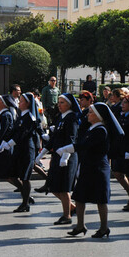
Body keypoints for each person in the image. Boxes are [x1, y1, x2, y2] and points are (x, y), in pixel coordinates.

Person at [64, 102, 122, 238]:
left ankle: (104, 227)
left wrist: (68, 149)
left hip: (98, 167)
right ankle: (80, 225)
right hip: (88, 166)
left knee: (101, 200)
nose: (88, 114)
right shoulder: (92, 128)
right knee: (79, 197)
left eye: (91, 112)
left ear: (98, 116)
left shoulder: (101, 130)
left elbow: (86, 145)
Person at [44, 93, 81, 225]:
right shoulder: (61, 117)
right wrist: (43, 151)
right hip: (57, 156)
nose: (59, 105)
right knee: (53, 187)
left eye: (62, 103)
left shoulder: (72, 118)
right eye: (58, 102)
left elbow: (71, 138)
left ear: (69, 105)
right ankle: (72, 207)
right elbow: (55, 138)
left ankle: (67, 216)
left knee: (64, 188)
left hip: (68, 157)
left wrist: (65, 156)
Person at [0, 92, 38, 213]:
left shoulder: (30, 117)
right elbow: (14, 131)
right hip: (18, 149)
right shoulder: (20, 116)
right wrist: (3, 142)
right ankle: (26, 195)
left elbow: (23, 134)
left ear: (28, 103)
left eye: (21, 101)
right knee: (11, 175)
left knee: (25, 178)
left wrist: (9, 144)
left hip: (26, 149)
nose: (19, 103)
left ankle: (25, 203)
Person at [0, 95, 16, 204]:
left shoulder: (6, 115)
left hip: (3, 148)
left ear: (5, 104)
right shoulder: (0, 114)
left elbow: (2, 132)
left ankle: (25, 192)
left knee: (8, 176)